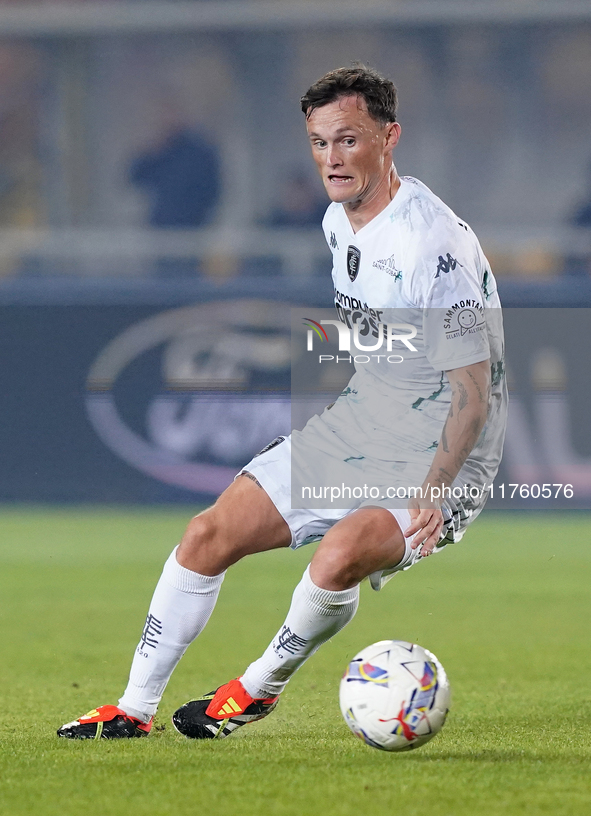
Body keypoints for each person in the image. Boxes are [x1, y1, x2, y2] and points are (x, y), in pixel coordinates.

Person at [58, 65, 507, 741]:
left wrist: (436, 489)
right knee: (206, 536)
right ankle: (132, 708)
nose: (332, 159)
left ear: (389, 139)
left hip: (444, 448)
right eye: (319, 143)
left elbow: (471, 389)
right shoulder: (336, 220)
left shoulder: (427, 240)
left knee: (339, 553)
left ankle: (257, 687)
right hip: (367, 418)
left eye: (348, 140)